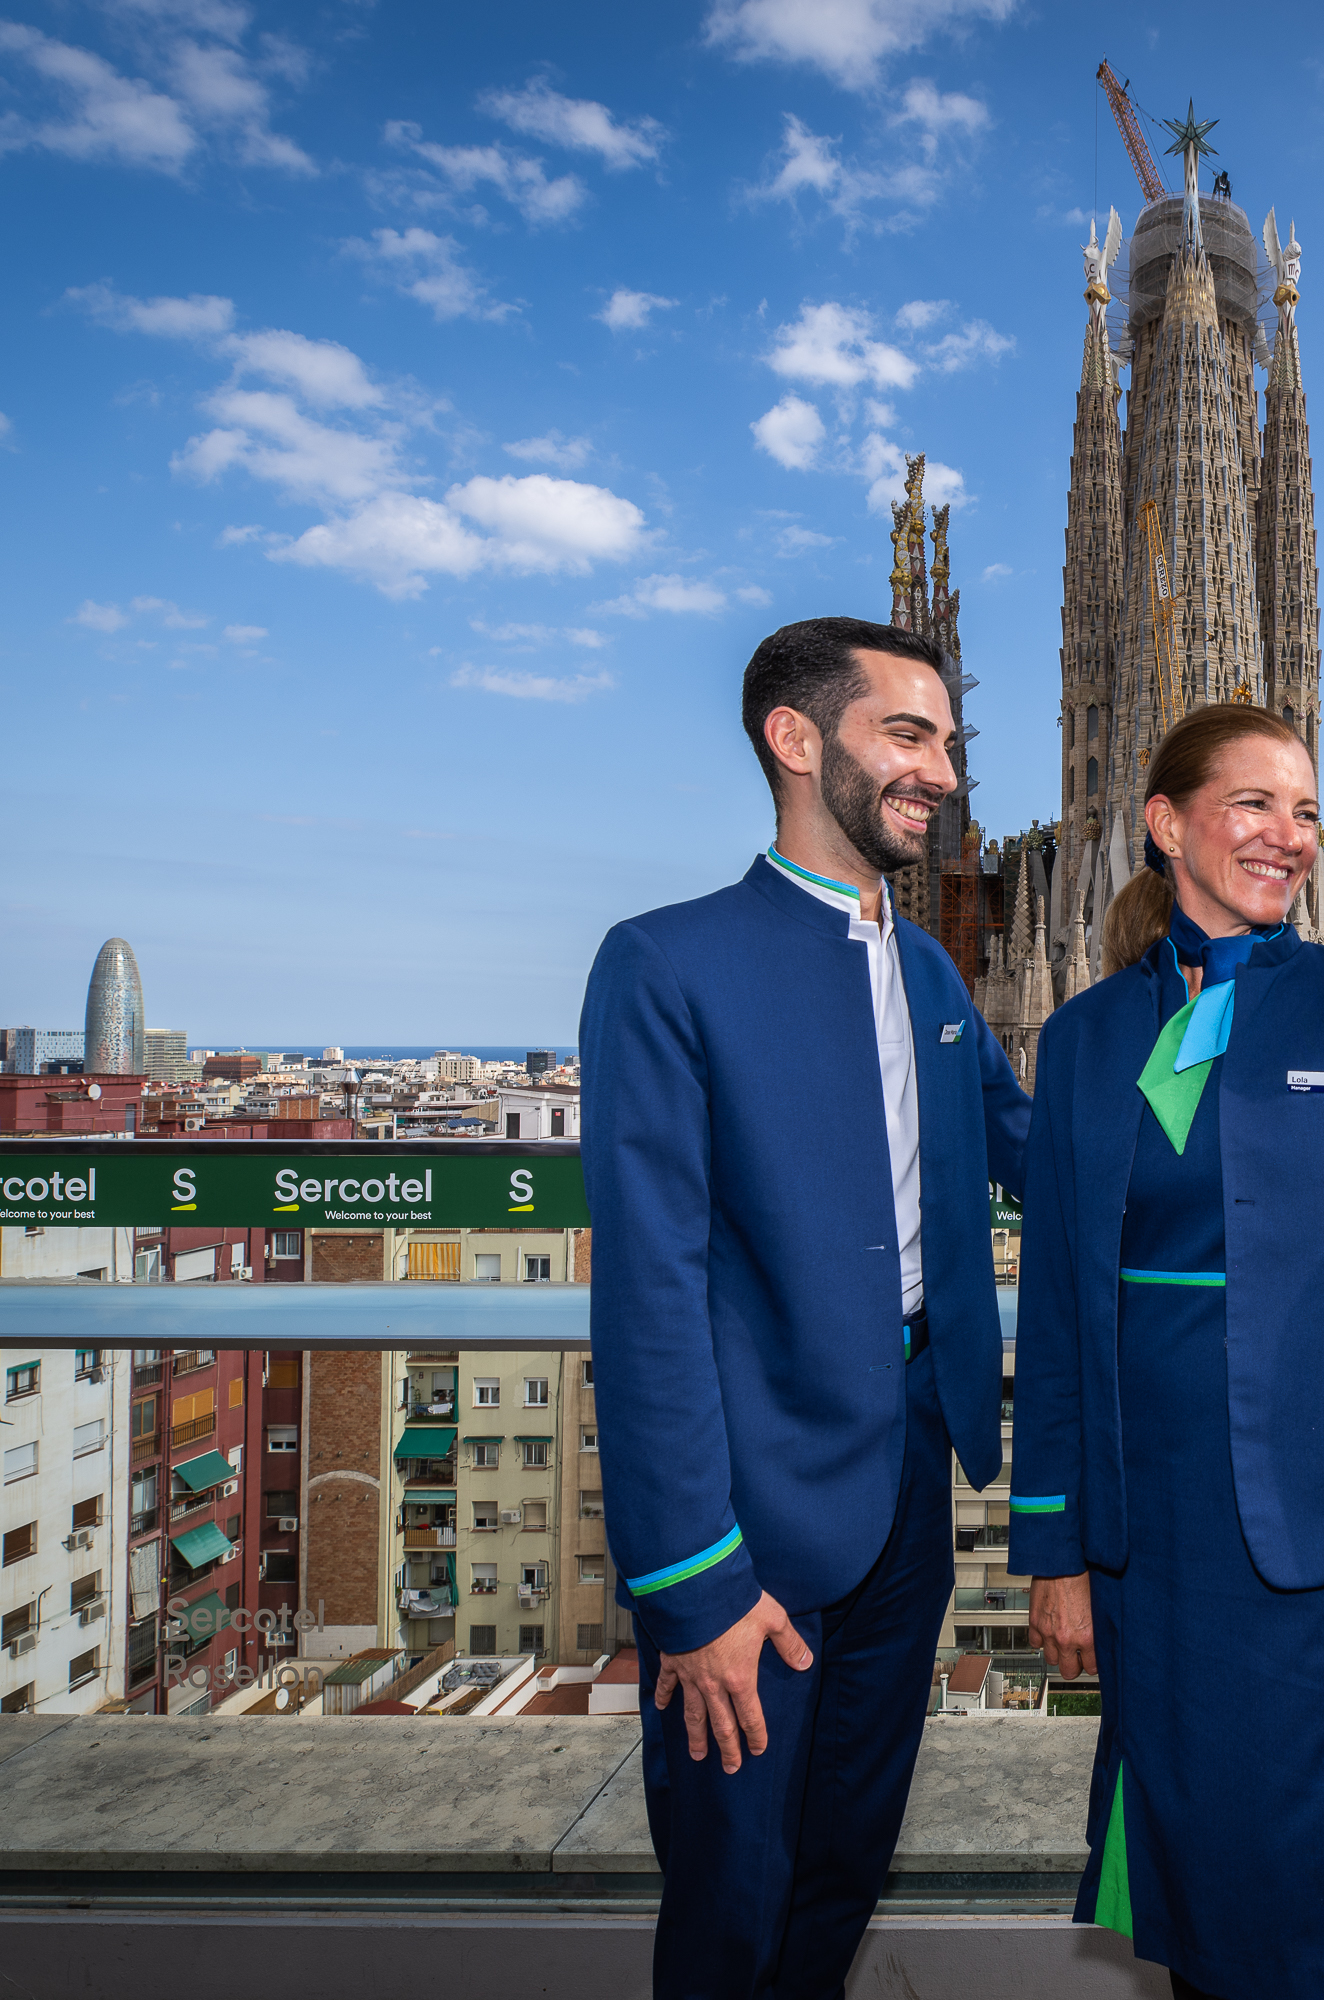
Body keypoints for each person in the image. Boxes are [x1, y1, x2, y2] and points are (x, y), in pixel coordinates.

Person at [581, 615, 1032, 1999]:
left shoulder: (931, 974)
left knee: (842, 1868)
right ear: (795, 739)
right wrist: (691, 1587)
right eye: (908, 735)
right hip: (755, 1518)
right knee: (735, 1899)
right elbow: (648, 1295)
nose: (942, 772)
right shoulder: (668, 964)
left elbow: (1047, 1153)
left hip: (909, 1481)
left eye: (948, 743)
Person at [1014, 703, 1324, 2000]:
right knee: (1196, 1885)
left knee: (1286, 1889)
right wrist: (1052, 1552)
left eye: (1308, 811)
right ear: (1167, 825)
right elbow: (1055, 1312)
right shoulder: (1091, 1036)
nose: (1290, 837)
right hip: (1145, 1540)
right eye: (1255, 805)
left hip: (1311, 1542)